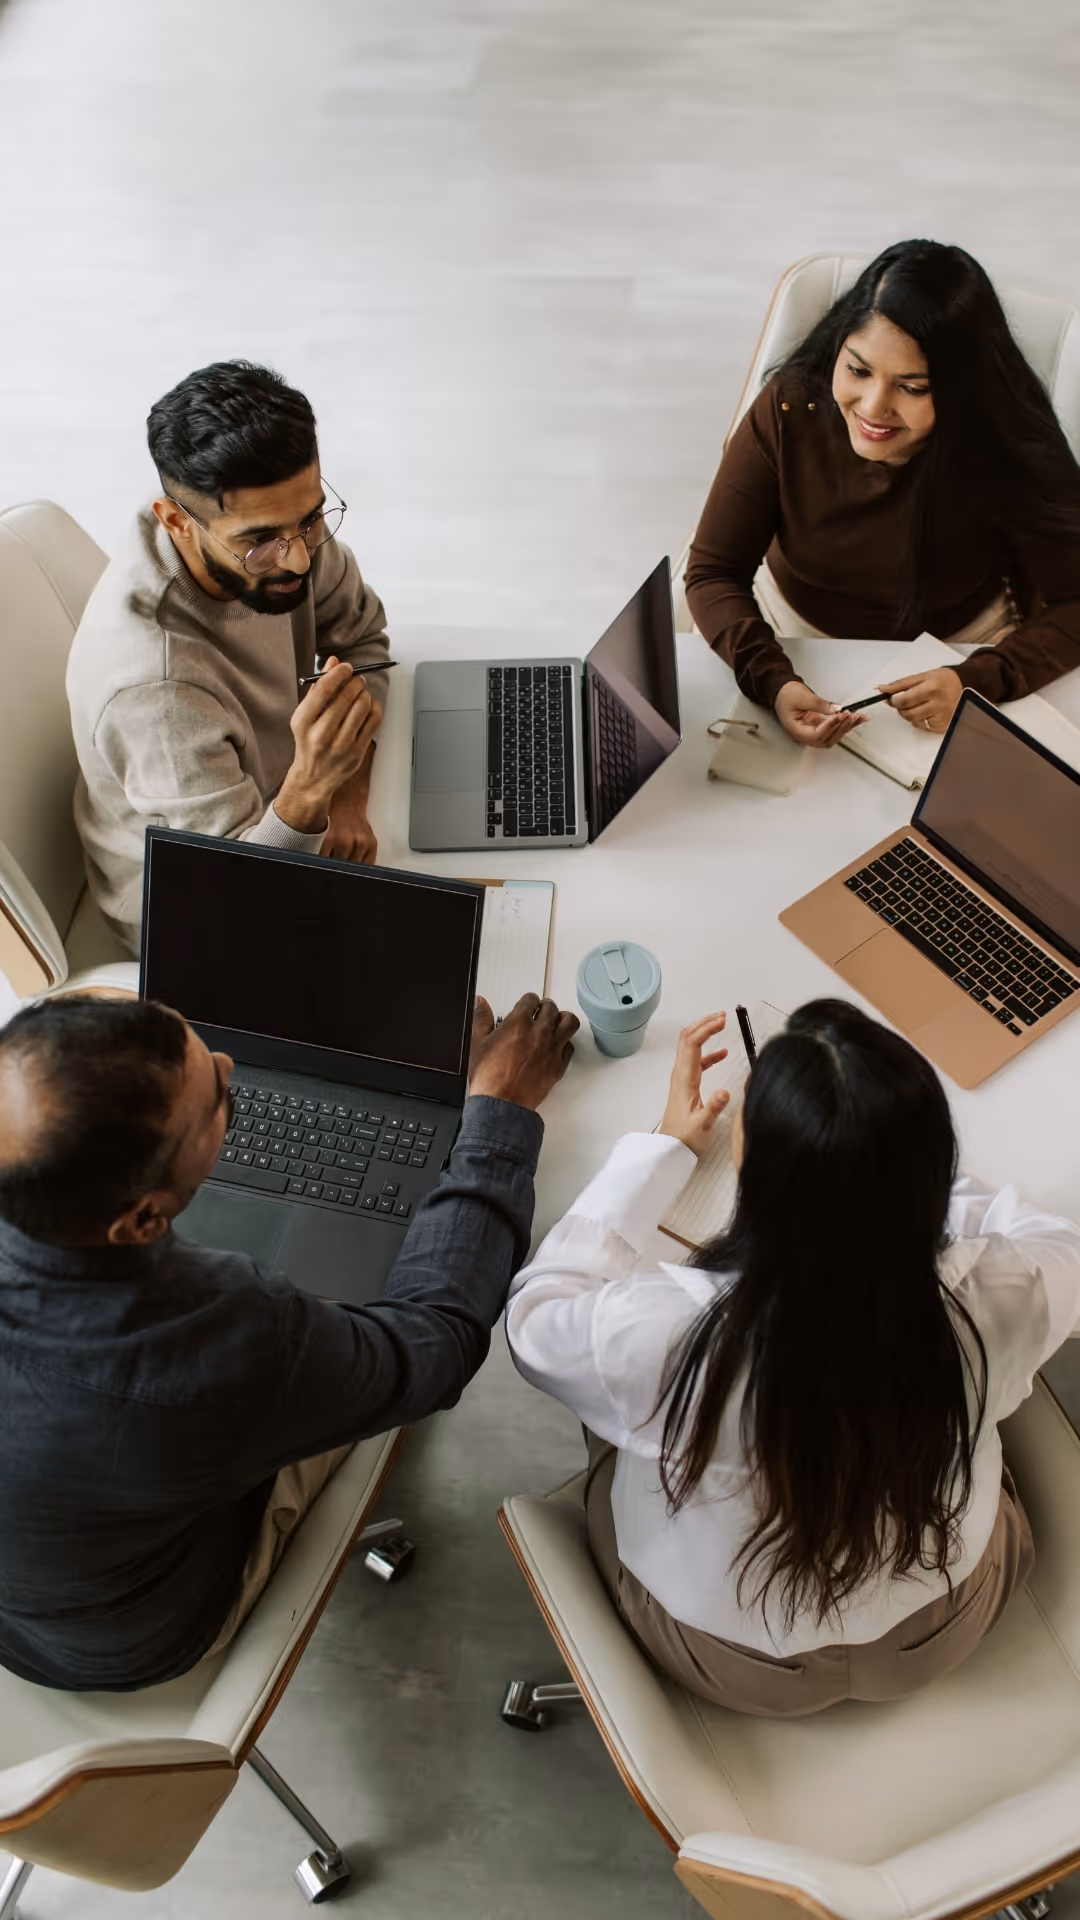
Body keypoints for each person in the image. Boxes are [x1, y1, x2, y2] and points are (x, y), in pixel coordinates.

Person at [506, 1001, 1080, 1716]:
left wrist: (662, 1151)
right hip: (942, 1625)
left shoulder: (663, 1336)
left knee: (611, 1418)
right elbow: (1059, 1242)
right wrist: (890, 1178)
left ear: (756, 1172)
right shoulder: (998, 1289)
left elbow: (534, 1321)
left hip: (736, 1664)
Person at [0, 987, 578, 1691]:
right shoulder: (218, 1339)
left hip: (32, 1596)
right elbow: (436, 1344)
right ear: (143, 1219)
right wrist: (501, 1114)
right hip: (137, 1635)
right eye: (214, 1099)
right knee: (361, 1319)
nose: (227, 1062)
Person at [685, 240, 1080, 750]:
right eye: (857, 370)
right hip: (787, 633)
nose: (873, 407)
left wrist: (976, 679)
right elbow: (714, 571)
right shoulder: (789, 408)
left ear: (964, 389)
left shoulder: (1007, 439)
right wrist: (772, 678)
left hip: (961, 645)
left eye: (912, 388)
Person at [67, 360, 391, 953]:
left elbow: (362, 638)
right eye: (259, 540)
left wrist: (347, 788)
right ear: (177, 522)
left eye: (312, 516)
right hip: (201, 916)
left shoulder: (285, 534)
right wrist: (314, 787)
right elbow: (236, 893)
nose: (297, 560)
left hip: (287, 809)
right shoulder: (154, 690)